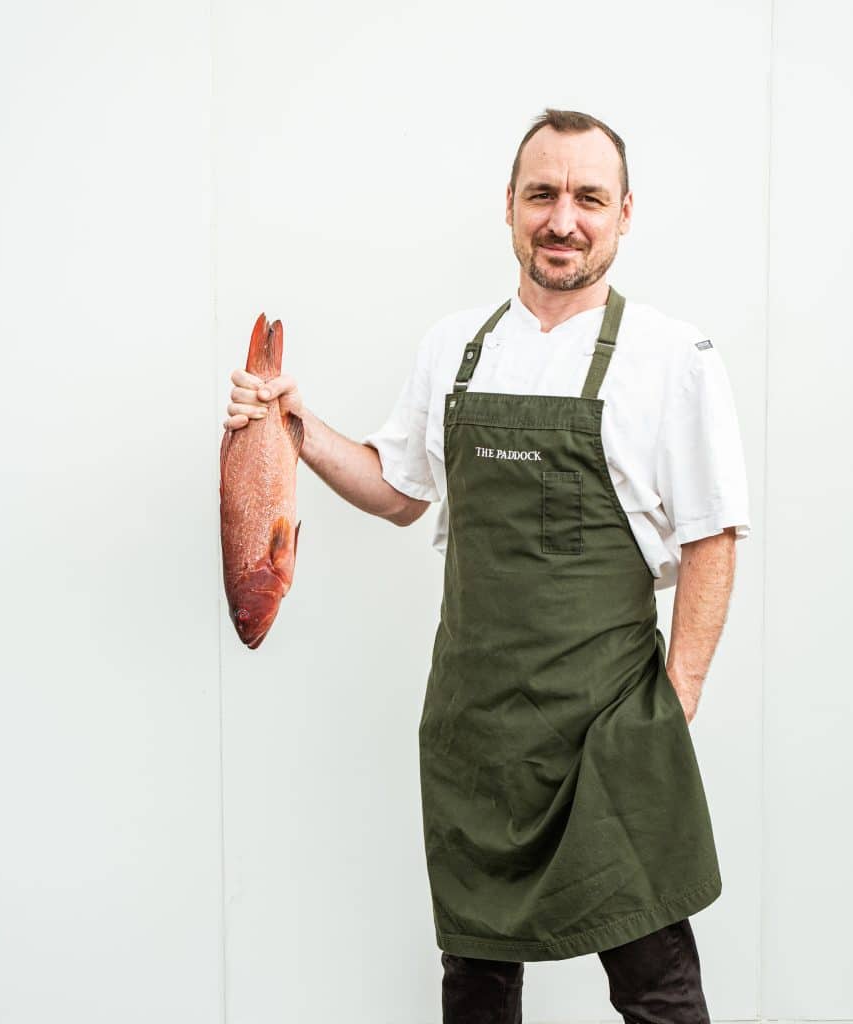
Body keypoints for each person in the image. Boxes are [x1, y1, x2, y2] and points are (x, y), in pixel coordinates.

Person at [223, 109, 751, 1024]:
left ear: (624, 213)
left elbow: (713, 536)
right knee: (473, 988)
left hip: (609, 726)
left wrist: (677, 702)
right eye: (541, 193)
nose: (562, 219)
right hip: (476, 727)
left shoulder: (673, 357)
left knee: (657, 988)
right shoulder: (456, 347)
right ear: (508, 206)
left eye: (588, 197)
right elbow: (397, 490)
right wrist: (291, 429)